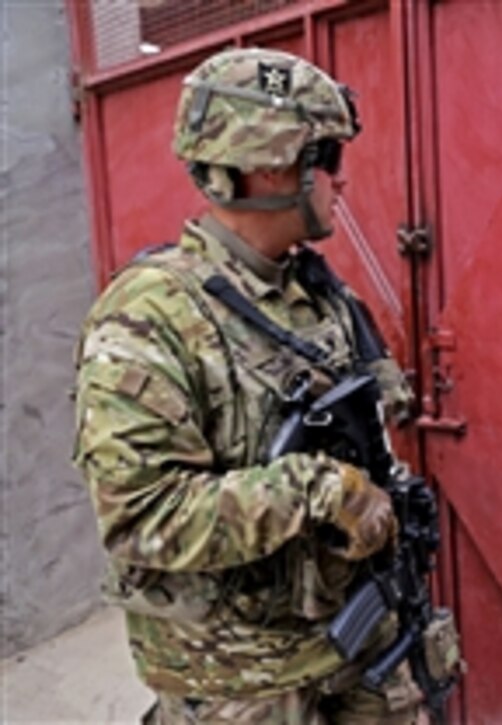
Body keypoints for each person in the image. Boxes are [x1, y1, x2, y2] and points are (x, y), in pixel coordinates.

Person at [73, 48, 422, 723]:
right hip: (241, 679)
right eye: (329, 159)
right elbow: (141, 517)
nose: (340, 184)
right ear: (271, 164)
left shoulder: (320, 295)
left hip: (354, 633)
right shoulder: (149, 315)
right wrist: (322, 491)